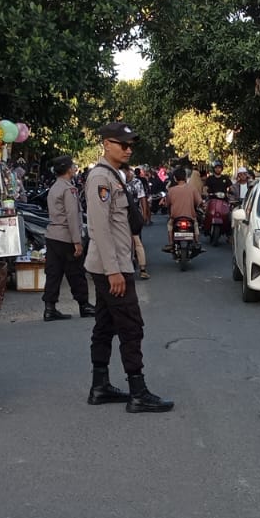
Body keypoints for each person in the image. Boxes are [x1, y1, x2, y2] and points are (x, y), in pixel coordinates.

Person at [83, 122, 172, 413]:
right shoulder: (100, 178)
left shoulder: (113, 176)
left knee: (106, 324)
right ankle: (138, 392)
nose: (129, 148)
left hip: (114, 262)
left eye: (131, 144)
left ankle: (100, 386)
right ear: (107, 144)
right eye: (123, 144)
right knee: (131, 326)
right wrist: (114, 271)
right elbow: (99, 228)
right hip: (113, 265)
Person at [41, 155, 93, 321]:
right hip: (66, 237)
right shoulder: (68, 189)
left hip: (53, 236)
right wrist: (77, 241)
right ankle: (84, 305)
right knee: (76, 272)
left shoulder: (54, 187)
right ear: (68, 169)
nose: (75, 169)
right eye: (73, 166)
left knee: (53, 273)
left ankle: (49, 308)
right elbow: (72, 216)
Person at [162, 165, 202, 253]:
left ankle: (171, 243)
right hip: (190, 217)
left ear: (175, 178)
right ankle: (197, 241)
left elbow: (167, 204)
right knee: (195, 225)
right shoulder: (192, 189)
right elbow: (199, 202)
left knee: (169, 226)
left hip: (175, 218)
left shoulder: (171, 190)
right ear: (185, 177)